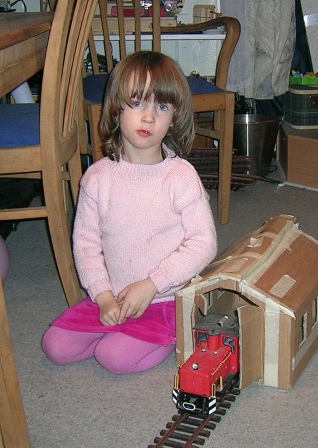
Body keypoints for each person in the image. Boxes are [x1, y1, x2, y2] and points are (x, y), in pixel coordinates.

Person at [41, 51, 218, 374]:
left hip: (163, 298)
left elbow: (203, 243)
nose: (148, 117)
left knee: (114, 358)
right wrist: (103, 296)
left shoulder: (180, 177)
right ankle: (118, 327)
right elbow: (86, 245)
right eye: (137, 103)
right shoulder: (96, 178)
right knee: (55, 347)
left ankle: (169, 334)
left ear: (174, 117)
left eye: (161, 107)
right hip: (110, 297)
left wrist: (152, 283)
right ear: (115, 108)